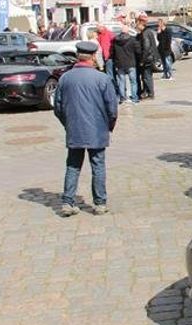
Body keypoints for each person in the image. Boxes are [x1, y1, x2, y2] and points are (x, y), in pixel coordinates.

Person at [54, 41, 118, 216]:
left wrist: (68, 124)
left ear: (78, 56)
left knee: (73, 165)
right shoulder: (102, 78)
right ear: (92, 57)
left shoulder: (65, 78)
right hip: (97, 129)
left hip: (75, 128)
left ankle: (68, 201)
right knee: (97, 165)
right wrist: (108, 126)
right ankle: (100, 203)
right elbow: (112, 108)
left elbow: (58, 107)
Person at [111, 24, 140, 104]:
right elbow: (138, 51)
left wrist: (114, 60)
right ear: (127, 31)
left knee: (121, 81)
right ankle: (134, 98)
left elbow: (112, 52)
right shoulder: (132, 40)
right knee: (133, 81)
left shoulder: (115, 40)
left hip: (119, 63)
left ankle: (122, 98)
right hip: (131, 62)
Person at [136, 19, 160, 99]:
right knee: (148, 76)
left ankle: (150, 93)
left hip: (147, 58)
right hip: (151, 57)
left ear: (141, 25)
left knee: (146, 77)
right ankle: (148, 92)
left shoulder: (145, 33)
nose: (136, 27)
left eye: (137, 25)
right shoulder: (149, 32)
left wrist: (142, 60)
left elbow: (146, 47)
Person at [97, 25, 117, 93]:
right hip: (106, 56)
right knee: (110, 73)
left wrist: (107, 56)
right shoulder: (101, 35)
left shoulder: (108, 34)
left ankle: (112, 89)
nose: (98, 30)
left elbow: (107, 46)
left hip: (109, 56)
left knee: (110, 73)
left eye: (98, 28)